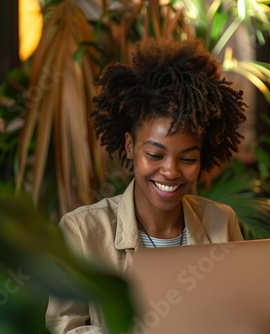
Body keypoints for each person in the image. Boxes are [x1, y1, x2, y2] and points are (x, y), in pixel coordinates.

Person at [46, 37, 248, 334]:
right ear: (130, 146)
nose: (171, 171)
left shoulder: (222, 221)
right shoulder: (82, 232)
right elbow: (65, 329)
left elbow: (243, 312)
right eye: (155, 154)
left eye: (188, 158)